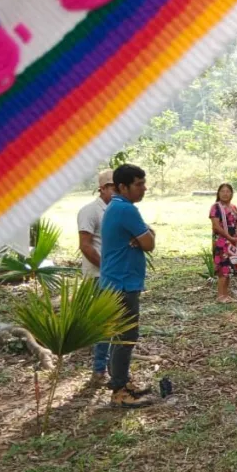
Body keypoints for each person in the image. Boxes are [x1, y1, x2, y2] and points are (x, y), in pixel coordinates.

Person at [100, 164, 156, 408]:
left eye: (144, 183)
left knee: (122, 336)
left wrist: (145, 235)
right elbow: (150, 243)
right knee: (125, 337)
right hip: (122, 283)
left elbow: (147, 237)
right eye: (138, 184)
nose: (143, 188)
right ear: (122, 187)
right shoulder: (126, 210)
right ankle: (119, 391)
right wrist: (145, 236)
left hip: (117, 281)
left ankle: (120, 382)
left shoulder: (117, 207)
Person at [77, 169, 115, 386]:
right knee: (104, 323)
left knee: (116, 322)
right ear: (102, 188)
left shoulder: (117, 210)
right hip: (99, 275)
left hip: (114, 274)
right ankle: (99, 369)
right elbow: (85, 245)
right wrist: (107, 267)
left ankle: (112, 368)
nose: (116, 190)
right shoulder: (90, 211)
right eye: (112, 187)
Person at [209, 183, 237, 304]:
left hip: (232, 243)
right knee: (223, 268)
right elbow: (216, 226)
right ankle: (220, 295)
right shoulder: (216, 207)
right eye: (222, 191)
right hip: (221, 242)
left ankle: (226, 294)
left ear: (232, 194)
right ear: (218, 193)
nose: (225, 194)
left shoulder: (234, 207)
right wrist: (229, 237)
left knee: (229, 268)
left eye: (228, 191)